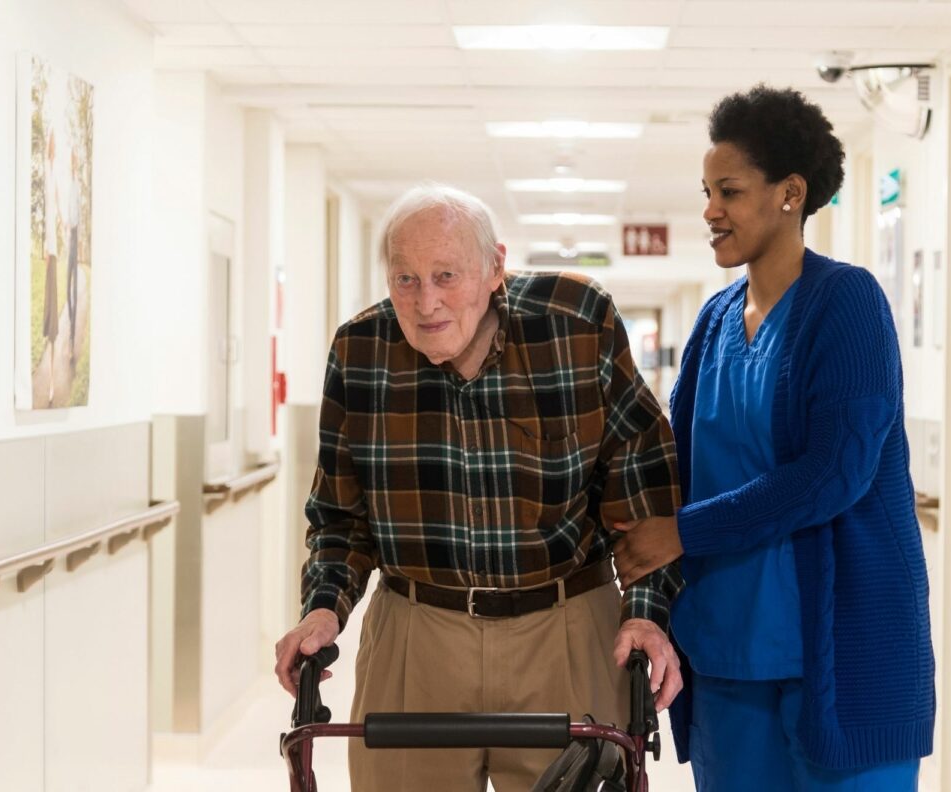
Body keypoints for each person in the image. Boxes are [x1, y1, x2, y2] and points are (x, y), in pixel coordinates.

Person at [273, 184, 684, 792]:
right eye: (405, 279)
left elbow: (642, 493)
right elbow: (340, 518)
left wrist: (647, 615)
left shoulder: (575, 323)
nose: (426, 301)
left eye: (446, 275)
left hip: (564, 624)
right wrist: (325, 605)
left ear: (495, 267)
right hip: (418, 631)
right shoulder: (360, 351)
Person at [613, 86, 934, 790]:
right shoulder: (713, 322)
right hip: (726, 663)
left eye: (728, 190)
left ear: (791, 193)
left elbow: (834, 472)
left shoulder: (846, 304)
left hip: (837, 664)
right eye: (706, 191)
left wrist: (683, 533)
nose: (709, 210)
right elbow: (682, 470)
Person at [41, 129, 61, 405]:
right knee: (48, 322)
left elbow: (54, 214)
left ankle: (53, 383)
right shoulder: (47, 172)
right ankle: (49, 381)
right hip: (49, 254)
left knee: (53, 326)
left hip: (53, 254)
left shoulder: (54, 175)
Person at [66, 148, 81, 363]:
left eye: (76, 160)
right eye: (72, 159)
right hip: (70, 236)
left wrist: (74, 229)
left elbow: (78, 213)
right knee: (68, 289)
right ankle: (70, 327)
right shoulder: (71, 183)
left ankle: (71, 340)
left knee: (75, 290)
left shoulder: (77, 185)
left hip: (75, 236)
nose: (74, 163)